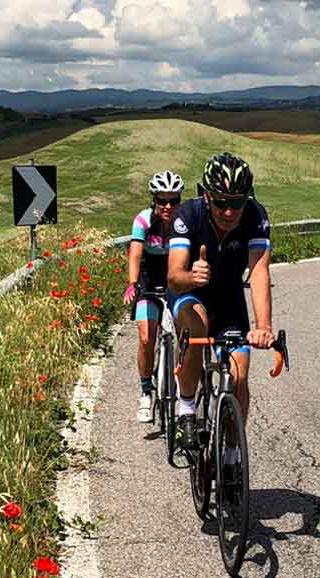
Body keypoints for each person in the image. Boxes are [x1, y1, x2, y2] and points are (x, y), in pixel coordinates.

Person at [167, 152, 274, 460]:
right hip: (190, 294)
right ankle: (186, 409)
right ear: (206, 196)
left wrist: (263, 327)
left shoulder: (256, 216)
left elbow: (259, 273)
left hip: (228, 298)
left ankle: (231, 452)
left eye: (237, 203)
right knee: (196, 323)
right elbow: (173, 275)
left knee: (239, 375)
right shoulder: (187, 216)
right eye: (221, 203)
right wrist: (191, 275)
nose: (229, 212)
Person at [124, 170, 185, 422]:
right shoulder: (143, 220)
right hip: (148, 282)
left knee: (186, 333)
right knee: (147, 336)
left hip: (175, 280)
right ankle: (146, 392)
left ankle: (185, 390)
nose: (168, 206)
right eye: (162, 201)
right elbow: (135, 254)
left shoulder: (185, 222)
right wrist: (132, 284)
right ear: (154, 201)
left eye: (173, 200)